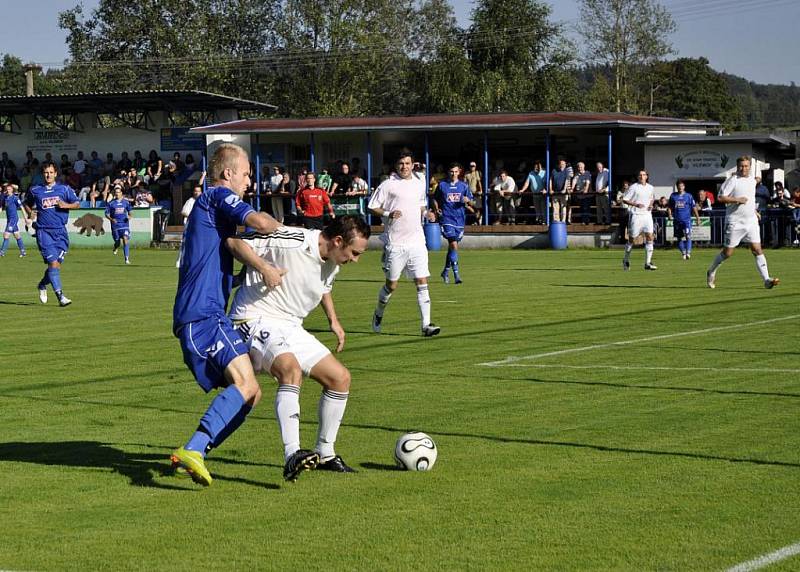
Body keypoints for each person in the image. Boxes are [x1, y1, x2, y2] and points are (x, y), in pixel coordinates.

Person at [169, 143, 285, 487]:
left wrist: (254, 271)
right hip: (201, 315)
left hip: (207, 313)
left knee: (252, 392)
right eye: (247, 174)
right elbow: (259, 222)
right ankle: (194, 448)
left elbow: (227, 250)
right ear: (228, 173)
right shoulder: (217, 196)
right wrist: (293, 233)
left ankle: (195, 451)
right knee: (246, 383)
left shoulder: (213, 216)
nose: (249, 181)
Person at [229, 216, 370, 481]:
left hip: (291, 325)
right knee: (290, 370)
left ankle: (325, 452)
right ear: (338, 241)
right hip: (254, 317)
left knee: (340, 378)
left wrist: (334, 321)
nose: (355, 259)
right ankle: (292, 454)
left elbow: (323, 287)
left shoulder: (332, 261)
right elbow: (234, 241)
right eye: (354, 253)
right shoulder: (292, 241)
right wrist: (263, 267)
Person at [368, 151, 440, 337]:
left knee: (422, 281)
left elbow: (421, 205)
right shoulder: (388, 184)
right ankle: (378, 314)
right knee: (391, 286)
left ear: (412, 164)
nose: (404, 167)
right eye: (401, 163)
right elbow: (371, 206)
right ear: (396, 165)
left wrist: (427, 214)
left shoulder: (419, 181)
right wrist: (387, 214)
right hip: (396, 243)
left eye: (408, 163)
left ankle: (426, 325)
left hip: (417, 241)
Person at [706, 156, 779, 290]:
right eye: (741, 166)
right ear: (737, 166)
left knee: (757, 249)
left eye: (746, 166)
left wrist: (754, 211)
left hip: (750, 220)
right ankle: (711, 270)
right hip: (735, 221)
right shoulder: (732, 180)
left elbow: (751, 195)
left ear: (749, 167)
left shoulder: (752, 180)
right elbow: (720, 197)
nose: (743, 168)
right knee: (727, 253)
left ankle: (767, 279)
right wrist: (737, 200)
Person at [24, 162, 80, 306]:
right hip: (43, 232)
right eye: (45, 172)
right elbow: (26, 203)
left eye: (50, 172)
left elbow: (77, 203)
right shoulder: (35, 190)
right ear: (43, 174)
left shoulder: (64, 189)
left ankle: (42, 285)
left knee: (55, 267)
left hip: (61, 233)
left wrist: (66, 205)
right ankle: (61, 297)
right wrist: (31, 213)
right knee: (53, 263)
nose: (48, 175)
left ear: (56, 174)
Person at [433, 163, 473, 284]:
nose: (453, 174)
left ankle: (445, 271)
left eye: (455, 172)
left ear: (459, 172)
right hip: (447, 219)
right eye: (451, 172)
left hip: (460, 219)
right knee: (454, 244)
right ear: (448, 172)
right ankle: (456, 275)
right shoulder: (442, 185)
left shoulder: (464, 186)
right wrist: (436, 208)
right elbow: (434, 198)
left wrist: (468, 200)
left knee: (452, 248)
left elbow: (471, 200)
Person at [621, 170, 657, 271]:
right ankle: (626, 259)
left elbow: (652, 198)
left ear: (647, 177)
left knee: (650, 236)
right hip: (636, 215)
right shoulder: (633, 187)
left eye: (643, 175)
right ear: (638, 177)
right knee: (632, 239)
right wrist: (636, 204)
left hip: (647, 215)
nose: (642, 176)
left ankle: (648, 263)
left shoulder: (651, 187)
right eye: (640, 175)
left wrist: (651, 204)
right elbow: (624, 199)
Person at [668, 180, 701, 260]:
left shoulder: (689, 196)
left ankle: (688, 253)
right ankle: (683, 253)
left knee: (688, 236)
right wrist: (669, 214)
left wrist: (698, 218)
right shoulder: (673, 196)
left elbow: (693, 207)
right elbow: (669, 207)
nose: (680, 188)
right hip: (677, 220)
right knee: (679, 238)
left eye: (682, 186)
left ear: (684, 186)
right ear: (677, 187)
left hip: (687, 220)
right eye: (679, 186)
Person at [176, 184, 203, 268]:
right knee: (186, 243)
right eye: (195, 191)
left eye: (198, 191)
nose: (196, 193)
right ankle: (179, 261)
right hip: (190, 226)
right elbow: (183, 212)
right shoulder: (190, 201)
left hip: (200, 226)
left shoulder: (203, 201)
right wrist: (193, 215)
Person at [105, 186, 133, 264]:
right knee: (118, 242)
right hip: (115, 225)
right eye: (115, 193)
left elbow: (130, 213)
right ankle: (115, 247)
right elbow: (106, 214)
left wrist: (129, 217)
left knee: (125, 239)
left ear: (121, 193)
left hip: (124, 224)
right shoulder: (111, 203)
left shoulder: (126, 202)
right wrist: (111, 219)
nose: (117, 194)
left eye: (118, 192)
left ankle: (126, 259)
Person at [0, 183, 28, 257]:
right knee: (17, 235)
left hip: (14, 219)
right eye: (7, 189)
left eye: (9, 189)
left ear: (12, 190)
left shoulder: (15, 198)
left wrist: (25, 218)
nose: (8, 190)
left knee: (6, 235)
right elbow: (2, 208)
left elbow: (21, 207)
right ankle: (23, 252)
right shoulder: (6, 198)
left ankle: (2, 252)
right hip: (9, 220)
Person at [549, 158, 570, 223]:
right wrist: (550, 189)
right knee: (555, 208)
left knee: (563, 207)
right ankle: (556, 221)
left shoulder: (566, 171)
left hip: (563, 193)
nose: (562, 165)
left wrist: (564, 189)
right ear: (559, 164)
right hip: (555, 192)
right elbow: (551, 180)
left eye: (563, 164)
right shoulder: (554, 171)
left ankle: (563, 220)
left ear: (565, 164)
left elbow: (567, 180)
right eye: (561, 164)